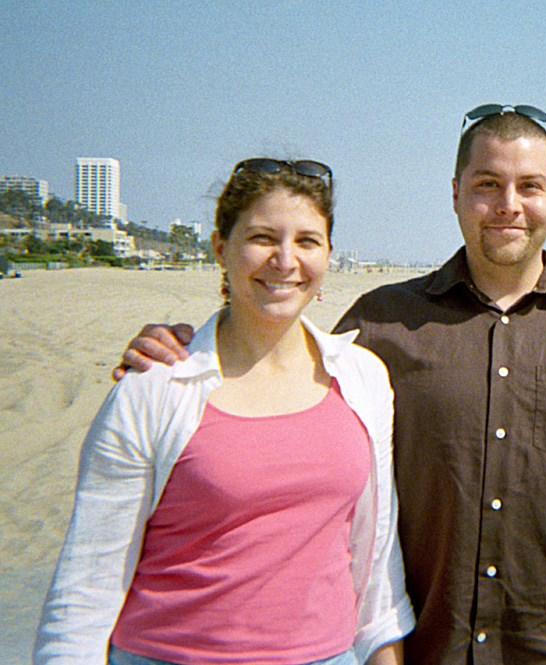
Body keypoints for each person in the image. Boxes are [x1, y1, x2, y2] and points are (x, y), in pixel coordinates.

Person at [112, 105, 546, 665]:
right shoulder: (380, 324)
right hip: (414, 651)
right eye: (487, 184)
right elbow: (276, 382)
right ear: (454, 193)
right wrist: (182, 351)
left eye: (529, 186)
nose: (508, 205)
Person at [36, 158, 414, 665]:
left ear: (327, 254)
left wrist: (383, 654)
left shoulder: (363, 380)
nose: (284, 260)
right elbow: (86, 583)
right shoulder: (156, 385)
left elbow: (376, 553)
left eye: (307, 240)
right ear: (221, 247)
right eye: (262, 237)